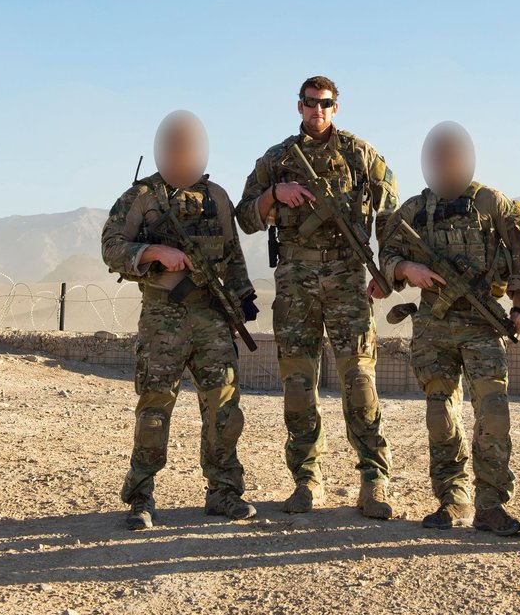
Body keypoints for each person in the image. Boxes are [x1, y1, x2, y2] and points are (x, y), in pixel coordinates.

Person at [237, 75, 398, 518]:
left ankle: (374, 482)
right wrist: (274, 193)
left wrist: (387, 270)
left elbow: (391, 215)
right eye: (310, 103)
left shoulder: (360, 155)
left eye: (325, 103)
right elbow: (245, 218)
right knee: (297, 385)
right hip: (296, 283)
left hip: (349, 279)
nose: (318, 110)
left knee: (360, 383)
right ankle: (307, 481)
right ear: (299, 106)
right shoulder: (277, 159)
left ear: (336, 107)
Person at [101, 110, 258, 531]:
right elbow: (112, 246)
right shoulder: (142, 197)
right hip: (162, 316)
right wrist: (155, 254)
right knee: (154, 409)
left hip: (211, 316)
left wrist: (242, 301)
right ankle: (140, 497)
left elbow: (233, 255)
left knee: (224, 408)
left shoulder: (217, 197)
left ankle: (224, 492)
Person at [379, 121, 520, 536]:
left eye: (453, 155)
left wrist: (518, 306)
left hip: (482, 323)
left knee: (494, 414)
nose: (446, 162)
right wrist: (408, 268)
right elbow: (387, 253)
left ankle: (491, 505)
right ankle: (453, 499)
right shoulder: (414, 209)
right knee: (440, 414)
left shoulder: (491, 202)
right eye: (439, 156)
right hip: (434, 324)